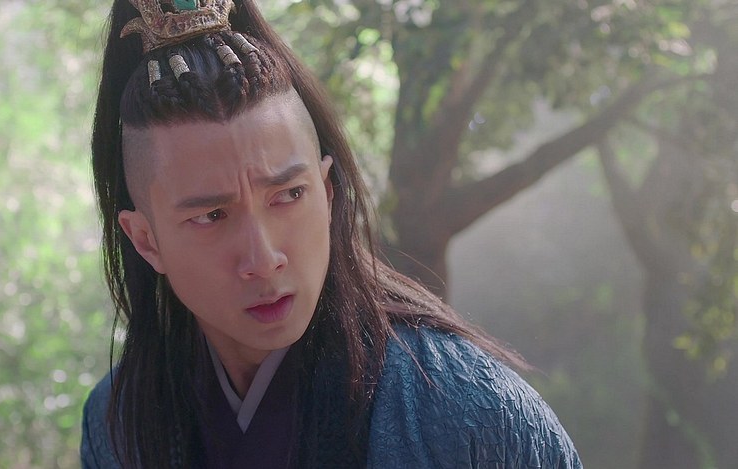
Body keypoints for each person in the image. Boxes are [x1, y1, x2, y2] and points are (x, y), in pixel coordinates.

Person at [81, 0, 583, 467]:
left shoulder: (473, 410)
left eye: (288, 195)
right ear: (146, 240)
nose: (264, 258)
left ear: (327, 192)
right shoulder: (117, 424)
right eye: (212, 216)